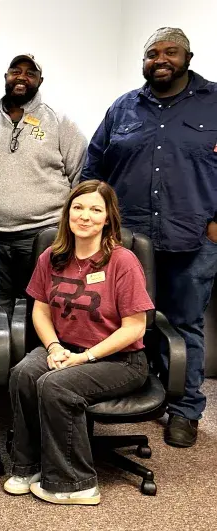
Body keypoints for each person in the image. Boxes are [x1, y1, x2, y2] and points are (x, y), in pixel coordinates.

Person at [81, 28, 217, 448]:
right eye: (152, 53)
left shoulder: (213, 102)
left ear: (188, 57)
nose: (161, 59)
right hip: (127, 243)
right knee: (122, 320)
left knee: (184, 323)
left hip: (192, 238)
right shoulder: (123, 108)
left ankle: (185, 410)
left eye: (170, 52)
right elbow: (93, 168)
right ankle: (132, 389)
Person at [7, 180, 153, 506]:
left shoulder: (123, 261)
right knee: (24, 374)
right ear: (68, 213)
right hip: (65, 348)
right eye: (78, 207)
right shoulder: (52, 256)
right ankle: (28, 467)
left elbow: (135, 327)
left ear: (108, 218)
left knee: (56, 385)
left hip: (120, 360)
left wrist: (85, 357)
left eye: (95, 210)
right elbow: (40, 311)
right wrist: (53, 347)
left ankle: (76, 483)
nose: (85, 216)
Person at [0, 54, 87, 319]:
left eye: (30, 73)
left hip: (42, 234)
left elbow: (79, 176)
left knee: (39, 307)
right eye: (15, 71)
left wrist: (70, 225)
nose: (22, 77)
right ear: (6, 77)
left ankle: (35, 346)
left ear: (40, 81)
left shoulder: (60, 122)